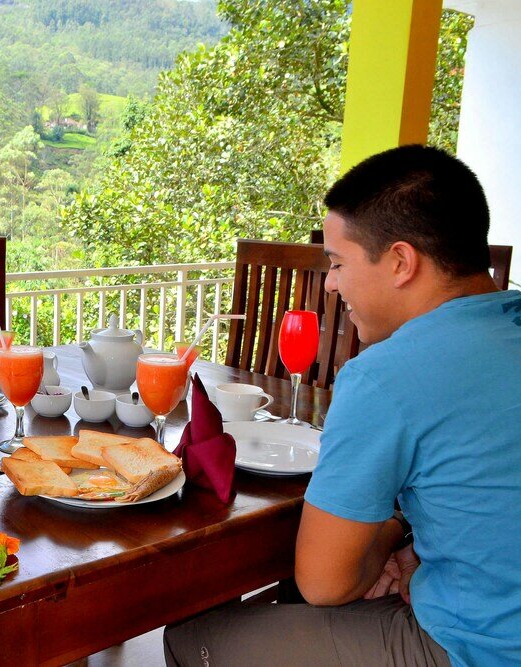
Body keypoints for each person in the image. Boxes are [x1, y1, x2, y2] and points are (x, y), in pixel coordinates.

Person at [163, 145, 521, 666]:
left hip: (482, 650)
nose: (330, 283)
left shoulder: (389, 375)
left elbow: (324, 582)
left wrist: (398, 536)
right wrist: (417, 546)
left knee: (190, 636)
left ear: (401, 261)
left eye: (337, 263)